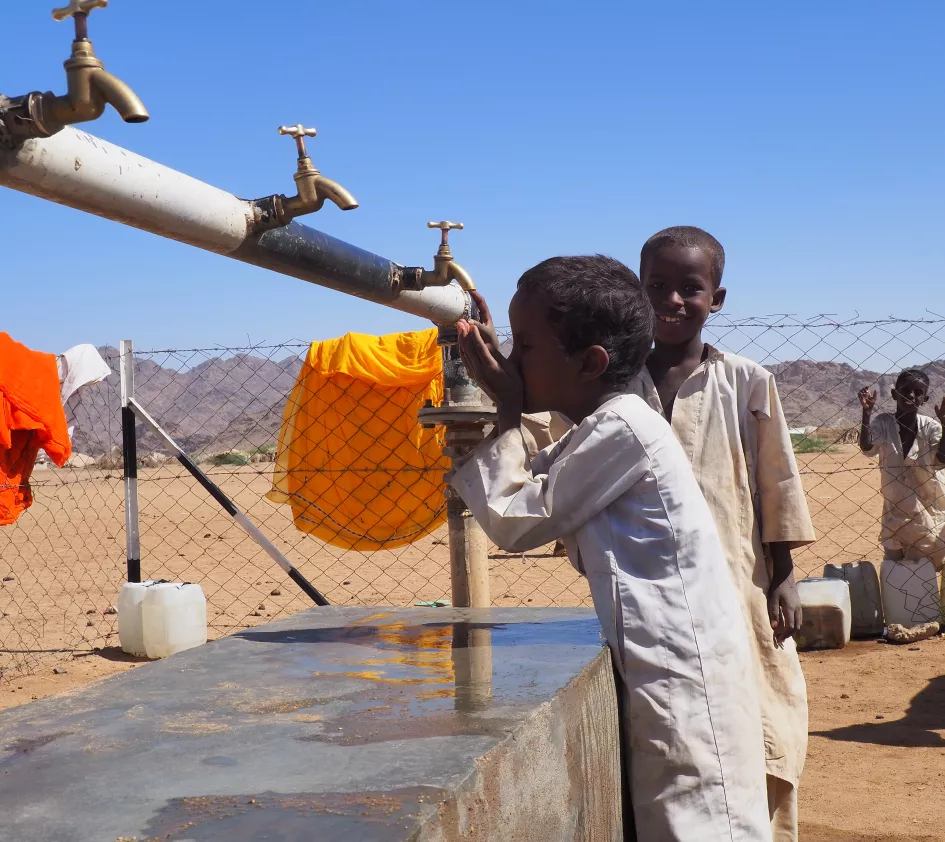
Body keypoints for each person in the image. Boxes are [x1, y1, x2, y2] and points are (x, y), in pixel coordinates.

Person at [451, 257, 770, 841]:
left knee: (701, 823)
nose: (514, 361)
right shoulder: (606, 427)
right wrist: (512, 403)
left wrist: (504, 405)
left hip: (683, 686)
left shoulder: (623, 429)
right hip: (666, 673)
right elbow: (536, 484)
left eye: (525, 345)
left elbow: (515, 522)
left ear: (590, 362)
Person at [629, 226, 814, 842]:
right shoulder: (615, 384)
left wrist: (783, 574)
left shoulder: (745, 381)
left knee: (763, 712)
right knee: (669, 725)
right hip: (647, 587)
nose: (673, 301)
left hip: (740, 583)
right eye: (658, 286)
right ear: (637, 289)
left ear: (719, 297)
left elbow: (776, 482)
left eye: (691, 288)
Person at [858, 369, 945, 569]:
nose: (911, 395)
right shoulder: (883, 422)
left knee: (932, 564)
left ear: (925, 398)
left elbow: (941, 459)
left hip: (929, 507)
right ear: (894, 393)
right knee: (895, 567)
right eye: (905, 390)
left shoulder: (931, 427)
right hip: (895, 510)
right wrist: (866, 413)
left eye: (918, 392)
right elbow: (868, 447)